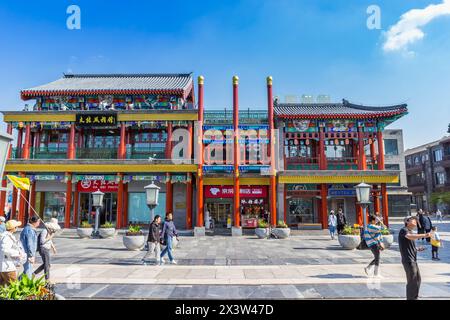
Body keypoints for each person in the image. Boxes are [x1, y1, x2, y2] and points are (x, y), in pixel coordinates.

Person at [398, 216, 431, 300]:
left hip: (413, 259)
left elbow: (408, 244)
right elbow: (410, 236)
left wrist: (417, 249)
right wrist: (424, 235)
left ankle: (414, 297)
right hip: (408, 260)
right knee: (412, 281)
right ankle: (411, 298)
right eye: (413, 220)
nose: (416, 221)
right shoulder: (404, 230)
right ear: (407, 221)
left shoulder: (410, 231)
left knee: (417, 280)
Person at [0, 220, 24, 286]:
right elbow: (5, 249)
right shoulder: (6, 237)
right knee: (13, 285)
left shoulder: (4, 236)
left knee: (3, 285)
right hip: (7, 266)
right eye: (16, 227)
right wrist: (18, 253)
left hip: (5, 265)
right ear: (13, 228)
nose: (17, 228)